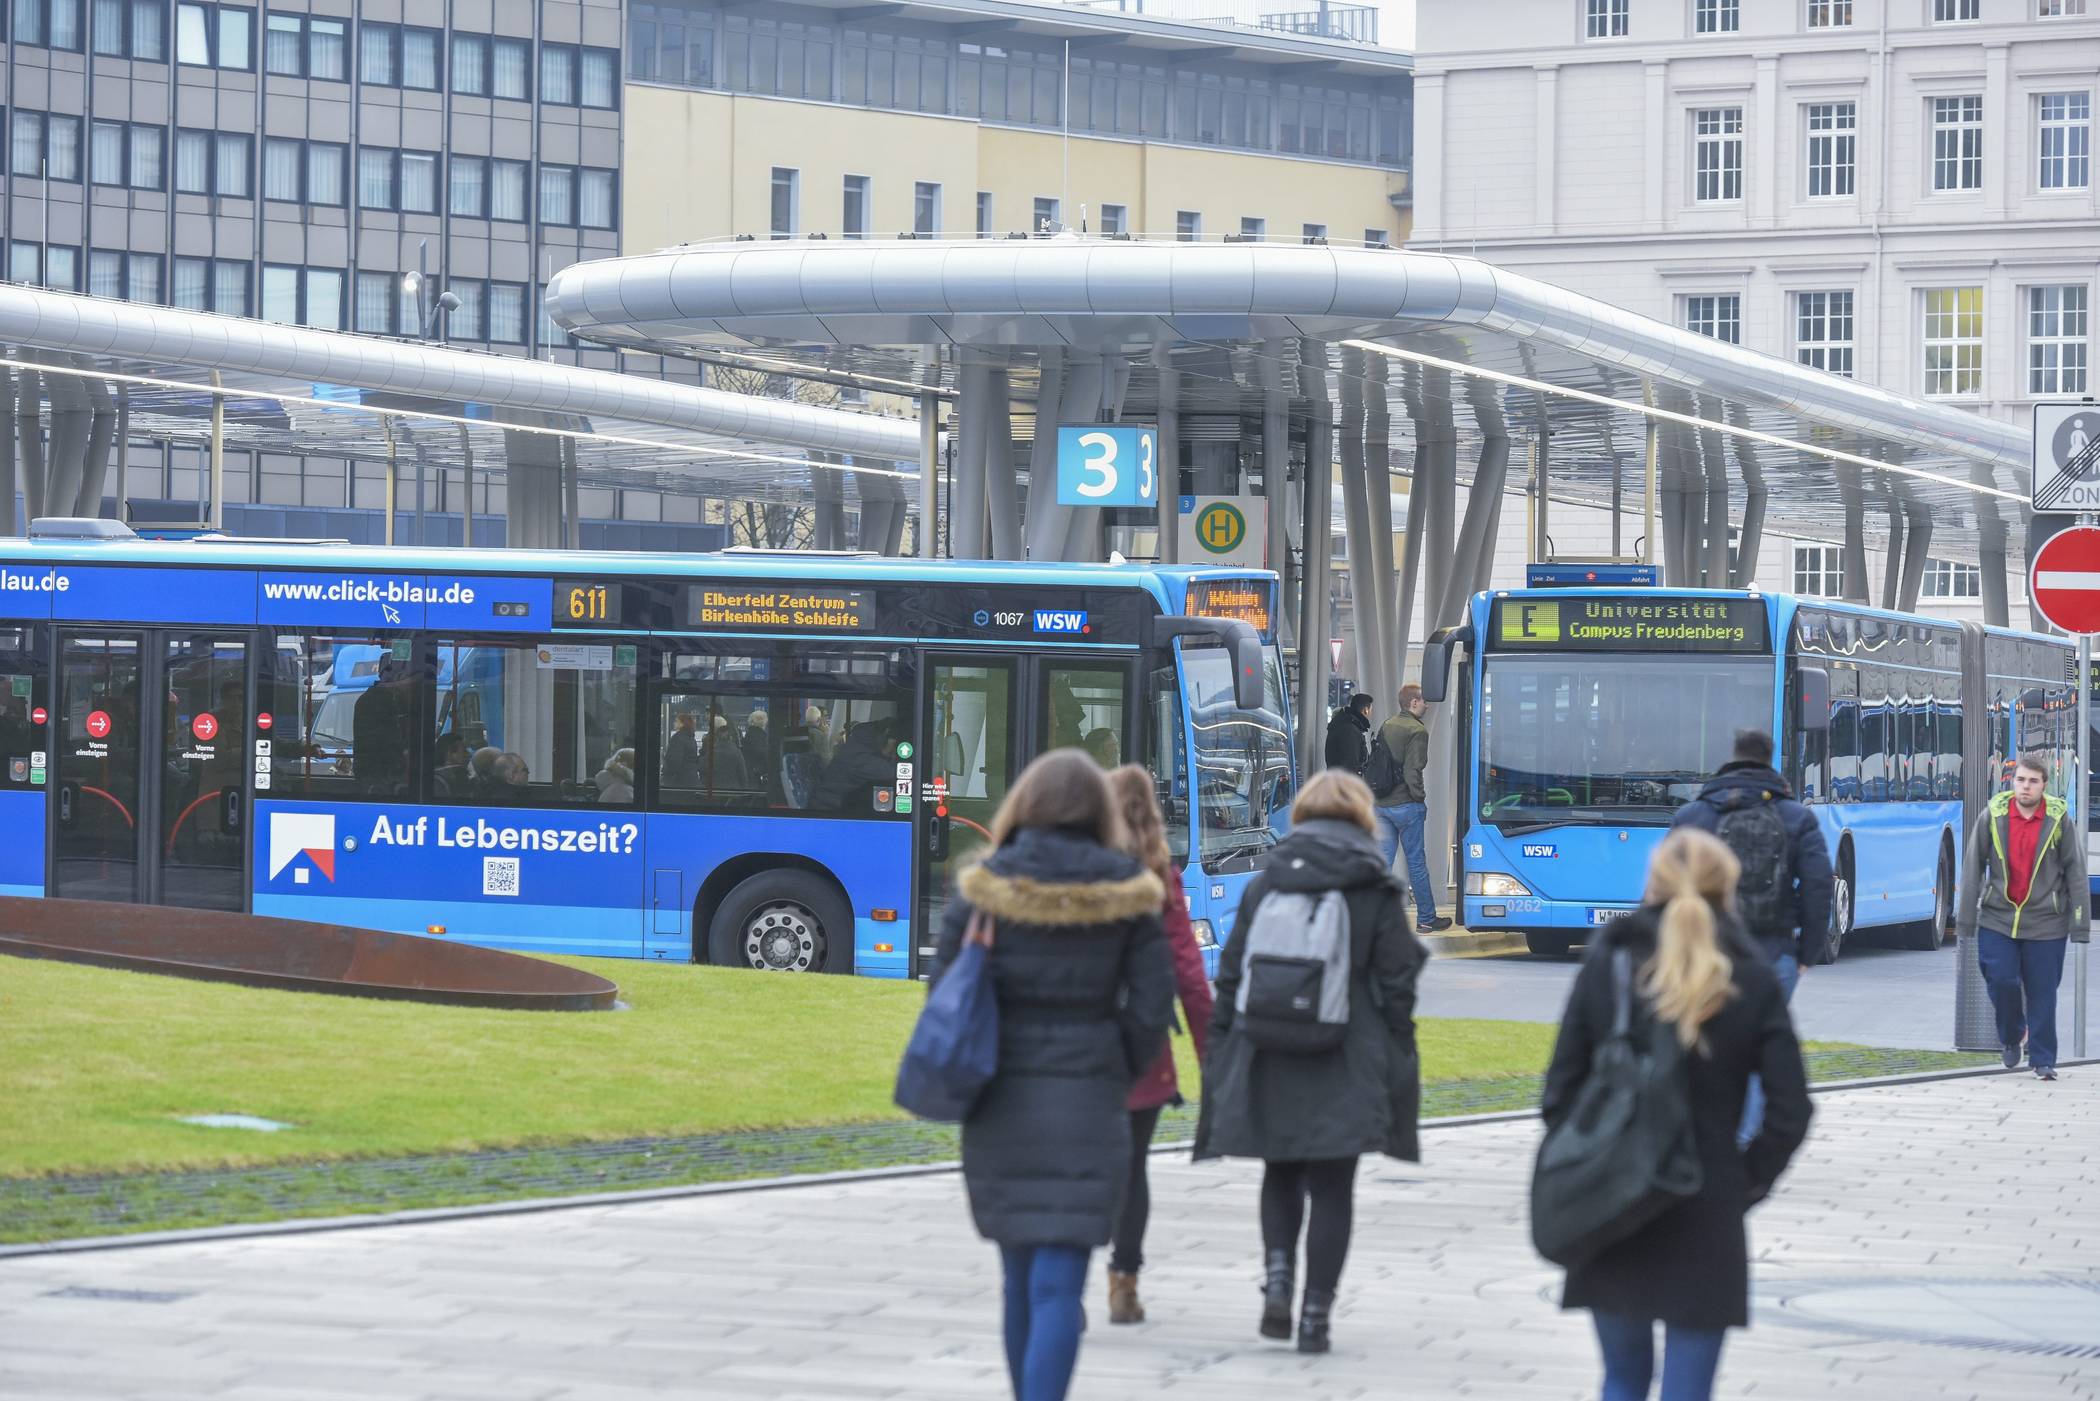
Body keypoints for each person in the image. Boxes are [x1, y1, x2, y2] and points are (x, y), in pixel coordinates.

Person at [931, 749, 1173, 1401]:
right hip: (1091, 1102)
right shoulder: (1129, 890)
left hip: (1000, 1100)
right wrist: (1113, 1059)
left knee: (1017, 1280)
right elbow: (1153, 1006)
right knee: (1061, 1284)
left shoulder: (985, 884)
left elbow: (944, 989)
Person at [1541, 829, 1812, 1401]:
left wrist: (1590, 1150)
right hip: (1706, 1197)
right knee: (1689, 1388)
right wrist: (1744, 1180)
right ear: (1727, 890)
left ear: (1652, 885)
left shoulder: (1610, 963)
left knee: (1622, 1378)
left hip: (1613, 1194)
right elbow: (1790, 1108)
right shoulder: (1749, 975)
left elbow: (1559, 1091)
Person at [1195, 769, 1428, 1355]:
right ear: (1360, 820)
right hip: (1343, 1052)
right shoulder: (1373, 888)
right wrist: (1397, 1045)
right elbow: (1399, 979)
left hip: (1267, 1047)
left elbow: (1231, 974)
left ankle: (1277, 1279)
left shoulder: (1264, 882)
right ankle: (1317, 1315)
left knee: (1281, 1171)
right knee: (1332, 1185)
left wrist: (1222, 1049)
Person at [1669, 729, 1834, 1141]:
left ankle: (1703, 1134)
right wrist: (1807, 952)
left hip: (1705, 952)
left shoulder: (1693, 816)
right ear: (1769, 759)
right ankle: (1744, 1142)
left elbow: (1667, 887)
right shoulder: (1797, 817)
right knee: (1759, 1047)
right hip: (1773, 951)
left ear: (1733, 756)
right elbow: (1818, 886)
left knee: (1704, 1042)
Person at [1102, 763, 1214, 1328]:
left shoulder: (1076, 870)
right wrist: (1210, 1054)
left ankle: (1064, 1273)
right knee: (1132, 1167)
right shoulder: (1158, 876)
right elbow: (1189, 974)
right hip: (1141, 1047)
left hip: (1076, 1050)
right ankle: (1124, 1279)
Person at [1956, 754, 2090, 1081]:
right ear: (2012, 782)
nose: (2025, 787)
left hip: (2047, 921)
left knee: (2043, 991)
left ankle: (2043, 1060)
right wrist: (1965, 918)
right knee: (2001, 979)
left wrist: (2080, 922)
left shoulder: (2059, 821)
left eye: (2032, 781)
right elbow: (1973, 866)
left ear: (2044, 785)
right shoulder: (1993, 815)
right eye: (2020, 780)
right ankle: (2013, 1033)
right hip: (1998, 917)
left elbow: (2075, 872)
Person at [1370, 684, 1451, 932]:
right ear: (1414, 703)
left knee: (1381, 864)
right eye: (1424, 701)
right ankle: (1426, 918)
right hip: (1406, 806)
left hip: (1381, 804)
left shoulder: (1387, 724)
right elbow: (1412, 771)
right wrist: (1419, 798)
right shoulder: (1417, 731)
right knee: (1416, 862)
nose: (1427, 705)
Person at [1324, 693, 1373, 775]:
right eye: (1371, 710)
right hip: (1344, 784)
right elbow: (1350, 766)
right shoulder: (1350, 731)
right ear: (1366, 710)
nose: (1371, 714)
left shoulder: (1345, 725)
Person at [661, 710, 700, 788]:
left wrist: (665, 771)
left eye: (676, 721)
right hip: (691, 778)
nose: (674, 723)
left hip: (679, 780)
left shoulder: (678, 738)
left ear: (682, 723)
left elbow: (674, 761)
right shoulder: (691, 738)